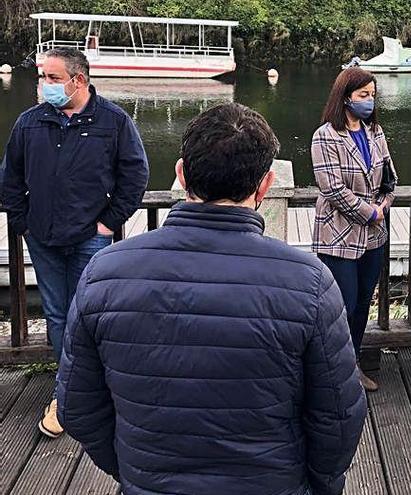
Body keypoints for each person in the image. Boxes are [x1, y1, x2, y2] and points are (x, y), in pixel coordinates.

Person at [56, 103, 367, 495]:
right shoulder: (308, 282)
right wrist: (316, 484)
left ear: (181, 173)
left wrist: (132, 471)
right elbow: (339, 416)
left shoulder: (104, 272)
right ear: (264, 186)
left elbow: (77, 408)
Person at [0, 47, 149, 438]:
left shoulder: (114, 121)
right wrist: (22, 222)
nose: (42, 84)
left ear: (77, 80)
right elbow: (10, 177)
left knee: (89, 314)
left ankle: (92, 390)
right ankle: (65, 393)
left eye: (50, 77)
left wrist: (108, 224)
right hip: (43, 240)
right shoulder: (29, 122)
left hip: (90, 239)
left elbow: (135, 176)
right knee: (56, 314)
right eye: (41, 77)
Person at [311, 67, 397, 392]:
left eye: (373, 95)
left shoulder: (376, 132)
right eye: (363, 95)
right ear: (345, 97)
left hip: (374, 236)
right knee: (340, 306)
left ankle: (354, 364)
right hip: (338, 235)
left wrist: (383, 206)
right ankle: (329, 370)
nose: (369, 101)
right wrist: (369, 212)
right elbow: (332, 188)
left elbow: (391, 177)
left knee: (362, 303)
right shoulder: (325, 136)